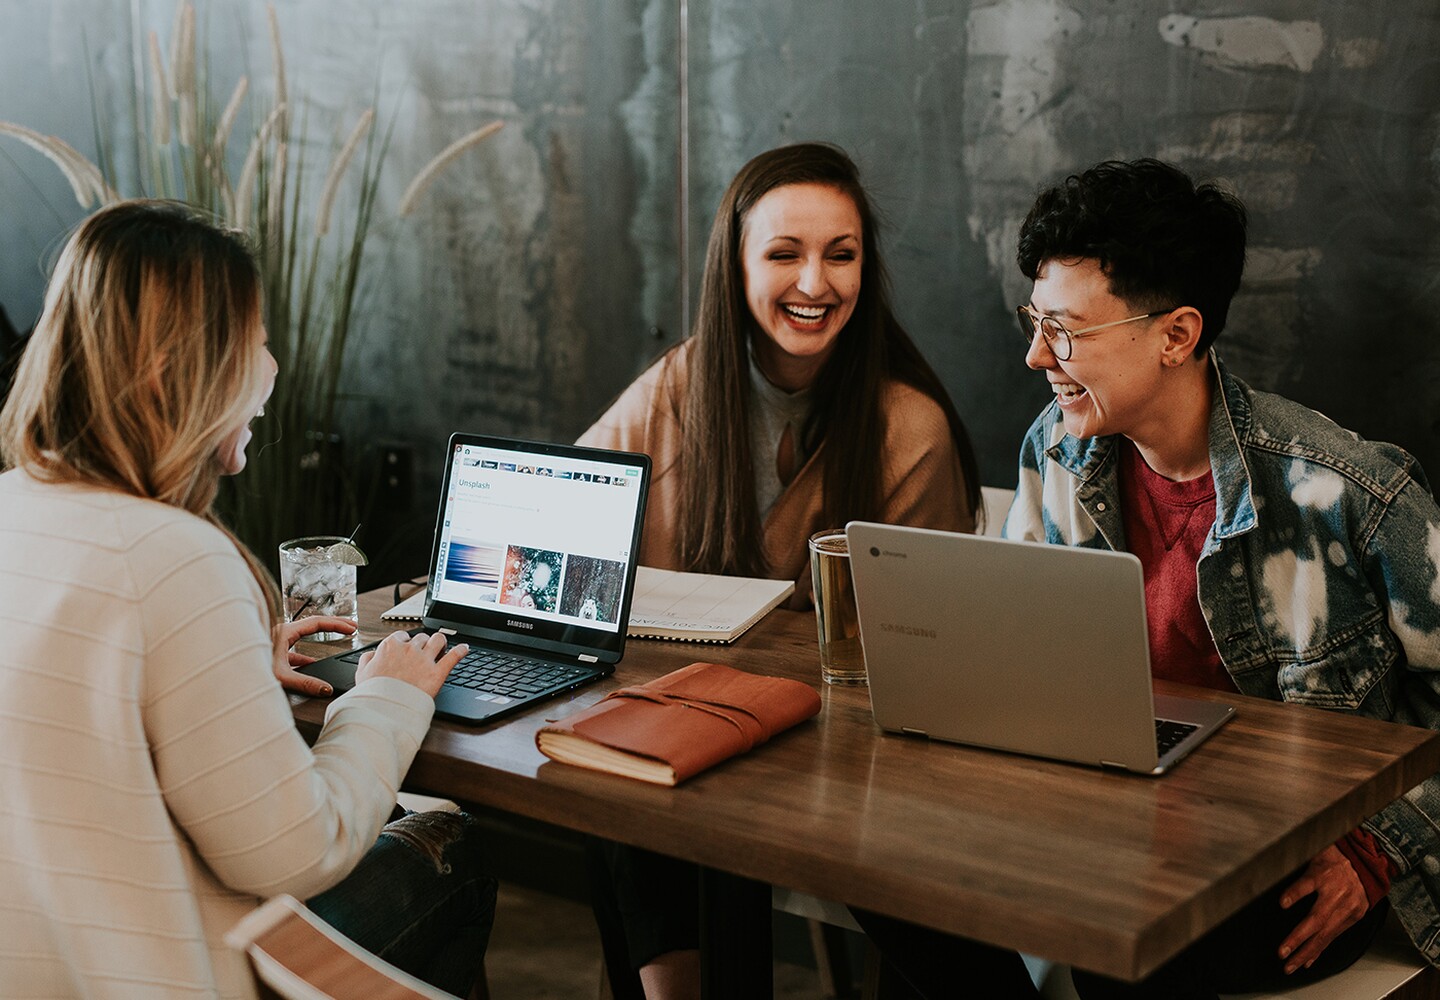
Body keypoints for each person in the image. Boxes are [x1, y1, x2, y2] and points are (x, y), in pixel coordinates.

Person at [861, 158, 1440, 999]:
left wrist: (1378, 844)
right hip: (1108, 815)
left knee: (1121, 919)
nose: (1034, 356)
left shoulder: (1343, 492)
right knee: (884, 866)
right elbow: (1018, 662)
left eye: (1064, 330)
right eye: (1035, 321)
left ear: (1175, 336)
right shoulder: (1055, 452)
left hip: (1278, 857)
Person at [0, 200, 496, 999]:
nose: (270, 370)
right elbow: (296, 852)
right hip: (159, 972)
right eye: (257, 343)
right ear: (178, 370)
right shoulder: (174, 557)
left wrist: (228, 670)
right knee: (451, 846)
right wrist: (385, 700)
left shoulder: (11, 507)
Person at [578, 142, 983, 999]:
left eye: (842, 255)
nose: (816, 282)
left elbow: (922, 655)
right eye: (784, 254)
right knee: (612, 775)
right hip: (684, 729)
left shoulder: (909, 428)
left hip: (842, 760)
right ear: (735, 266)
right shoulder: (682, 385)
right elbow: (574, 516)